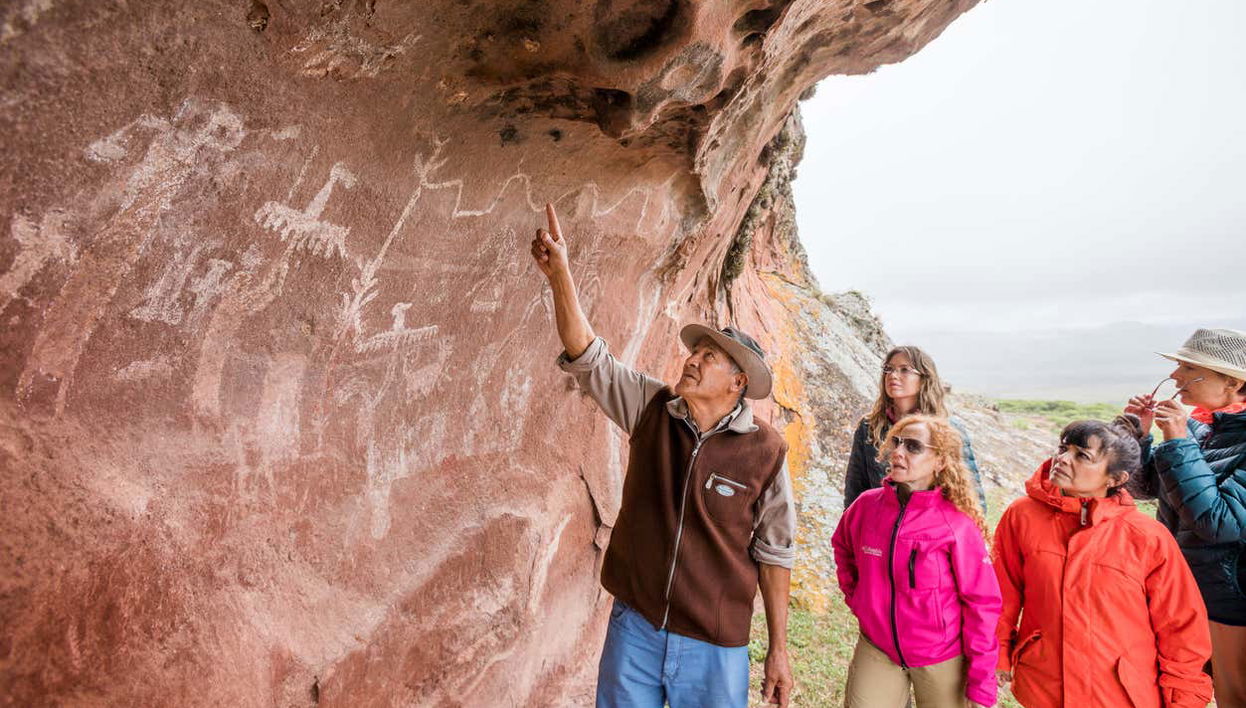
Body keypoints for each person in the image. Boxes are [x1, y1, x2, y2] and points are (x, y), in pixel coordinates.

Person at [530, 203, 797, 708]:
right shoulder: (652, 409)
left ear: (738, 383)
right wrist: (560, 274)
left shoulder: (767, 452)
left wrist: (778, 650)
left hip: (715, 646)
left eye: (708, 357)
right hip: (636, 627)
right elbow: (589, 358)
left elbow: (776, 553)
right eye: (695, 352)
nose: (691, 360)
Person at [992, 416, 1213, 708]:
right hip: (1044, 686)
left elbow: (1181, 626)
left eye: (1082, 455)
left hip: (1122, 693)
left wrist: (1183, 700)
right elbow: (1001, 595)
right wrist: (998, 656)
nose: (1062, 459)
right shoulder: (1022, 516)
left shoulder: (1147, 537)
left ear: (1115, 479)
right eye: (1063, 448)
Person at [833, 414, 1001, 708]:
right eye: (896, 442)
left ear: (940, 462)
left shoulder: (957, 525)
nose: (898, 452)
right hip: (878, 647)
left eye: (913, 447)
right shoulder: (866, 507)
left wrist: (981, 683)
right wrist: (858, 598)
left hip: (942, 656)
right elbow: (843, 548)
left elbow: (982, 604)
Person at [1123, 327, 1246, 706]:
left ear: (1234, 383)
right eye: (1177, 366)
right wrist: (1139, 437)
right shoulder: (1199, 427)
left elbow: (1218, 522)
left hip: (1230, 606)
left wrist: (1178, 442)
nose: (1175, 377)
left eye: (1190, 368)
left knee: (1234, 696)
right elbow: (1147, 491)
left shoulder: (1191, 432)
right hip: (1181, 594)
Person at [844, 347, 986, 512]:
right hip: (881, 527)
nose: (893, 375)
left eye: (905, 370)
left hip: (932, 531)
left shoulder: (948, 428)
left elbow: (971, 495)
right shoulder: (870, 426)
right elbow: (855, 489)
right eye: (888, 369)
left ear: (924, 378)